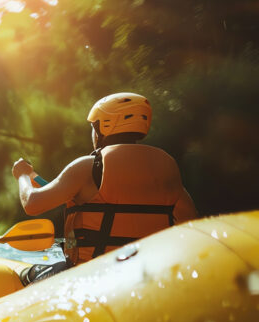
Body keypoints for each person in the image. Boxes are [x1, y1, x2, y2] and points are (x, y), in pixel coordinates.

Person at [12, 92, 197, 281]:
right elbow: (191, 223)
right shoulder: (166, 171)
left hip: (92, 275)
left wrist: (23, 175)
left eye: (93, 127)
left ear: (103, 127)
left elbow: (32, 203)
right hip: (148, 274)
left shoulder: (89, 167)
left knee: (27, 276)